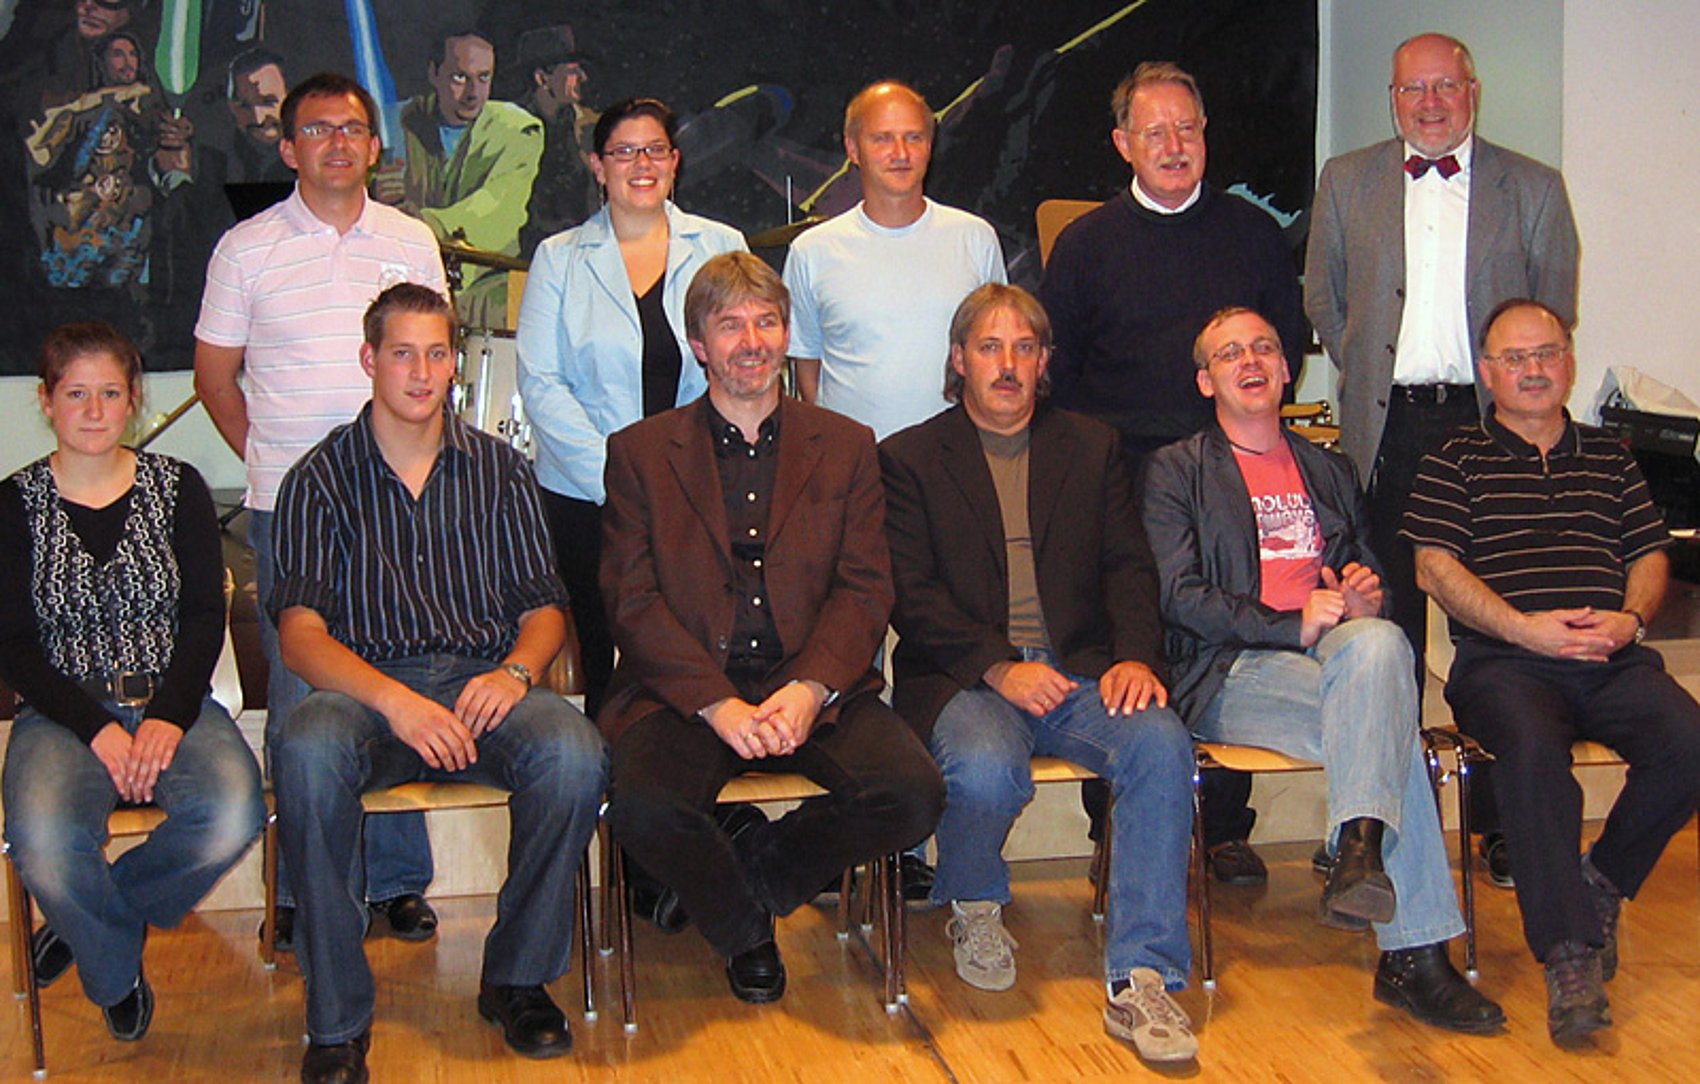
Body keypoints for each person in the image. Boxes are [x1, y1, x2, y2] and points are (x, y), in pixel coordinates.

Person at [270, 284, 606, 1082]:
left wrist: (517, 673)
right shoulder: (317, 478)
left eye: (436, 353)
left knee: (573, 753)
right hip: (365, 693)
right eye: (402, 354)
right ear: (369, 360)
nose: (422, 372)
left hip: (482, 683)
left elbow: (545, 609)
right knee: (305, 750)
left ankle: (516, 979)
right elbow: (300, 637)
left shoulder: (501, 471)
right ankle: (336, 1021)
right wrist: (396, 703)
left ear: (455, 362)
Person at [1141, 306, 1506, 1035]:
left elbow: (1364, 568)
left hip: (1338, 657)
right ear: (1206, 381)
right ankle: (1413, 953)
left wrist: (1366, 593)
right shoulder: (1177, 469)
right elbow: (1178, 597)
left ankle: (1360, 849)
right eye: (1229, 354)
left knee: (1379, 642)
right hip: (1228, 667)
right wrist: (1288, 623)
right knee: (1392, 732)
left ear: (1287, 370)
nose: (1250, 361)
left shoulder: (1328, 468)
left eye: (1264, 349)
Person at [599, 252, 944, 1004]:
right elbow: (632, 601)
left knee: (912, 793)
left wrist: (812, 687)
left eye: (766, 322)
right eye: (730, 326)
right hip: (685, 692)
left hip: (810, 682)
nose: (751, 342)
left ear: (787, 335)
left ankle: (750, 872)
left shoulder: (847, 444)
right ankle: (744, 930)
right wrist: (716, 703)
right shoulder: (640, 452)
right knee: (643, 807)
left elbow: (865, 587)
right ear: (699, 344)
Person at [880, 284, 1197, 1064]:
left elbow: (1129, 566)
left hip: (1083, 671)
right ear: (959, 360)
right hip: (965, 677)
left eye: (1024, 348)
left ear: (1045, 361)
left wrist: (1135, 657)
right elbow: (910, 595)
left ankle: (1144, 975)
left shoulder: (1091, 445)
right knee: (986, 768)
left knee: (1161, 744)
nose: (1008, 365)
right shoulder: (909, 458)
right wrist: (998, 665)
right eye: (990, 347)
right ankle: (975, 902)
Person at [1305, 33, 1581, 887]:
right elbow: (1324, 297)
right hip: (1388, 430)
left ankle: (1504, 825)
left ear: (1473, 91)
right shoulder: (1345, 179)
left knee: (1496, 632)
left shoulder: (1533, 187)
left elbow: (1552, 310)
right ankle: (1383, 829)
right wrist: (1370, 370)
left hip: (1488, 430)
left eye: (1445, 86)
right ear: (1392, 99)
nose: (1429, 103)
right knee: (1383, 634)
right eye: (1412, 89)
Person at [194, 71, 446, 953]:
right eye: (317, 129)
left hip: (398, 504)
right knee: (304, 698)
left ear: (375, 146)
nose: (337, 143)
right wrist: (276, 467)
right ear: (287, 146)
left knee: (402, 679)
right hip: (290, 513)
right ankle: (305, 888)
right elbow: (216, 377)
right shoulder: (246, 248)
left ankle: (397, 882)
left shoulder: (411, 240)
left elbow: (425, 362)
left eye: (351, 129)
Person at [1405, 299, 1700, 1046]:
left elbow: (1649, 553)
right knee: (1533, 756)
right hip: (1504, 663)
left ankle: (1600, 881)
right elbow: (1433, 567)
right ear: (1487, 372)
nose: (1532, 370)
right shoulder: (1453, 457)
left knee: (1689, 742)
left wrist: (1631, 621)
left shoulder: (1610, 456)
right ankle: (1570, 958)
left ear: (1568, 361)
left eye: (1546, 353)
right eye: (1515, 358)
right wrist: (1522, 628)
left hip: (1611, 657)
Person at [1039, 60, 1305, 885]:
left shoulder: (1252, 234)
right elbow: (1059, 375)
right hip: (1116, 476)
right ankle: (1118, 830)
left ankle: (1222, 827)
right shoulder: (1085, 245)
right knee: (1126, 644)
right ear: (1123, 144)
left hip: (1226, 475)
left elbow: (1284, 351)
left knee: (1227, 634)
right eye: (1153, 131)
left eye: (1186, 127)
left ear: (1205, 134)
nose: (1173, 144)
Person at [0, 322, 265, 1044]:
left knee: (233, 814)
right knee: (42, 841)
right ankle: (115, 967)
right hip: (62, 716)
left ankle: (86, 921)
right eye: (76, 394)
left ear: (134, 399)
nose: (94, 411)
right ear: (47, 401)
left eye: (110, 394)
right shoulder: (12, 503)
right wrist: (98, 729)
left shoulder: (177, 487)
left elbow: (205, 614)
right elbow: (13, 646)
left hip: (175, 702)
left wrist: (167, 718)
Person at [516, 96, 747, 722]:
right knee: (607, 664)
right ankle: (611, 776)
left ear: (675, 161)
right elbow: (541, 383)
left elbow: (740, 367)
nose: (641, 164)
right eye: (624, 152)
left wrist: (678, 482)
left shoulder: (721, 246)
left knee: (698, 656)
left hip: (700, 491)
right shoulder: (559, 257)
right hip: (586, 497)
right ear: (598, 165)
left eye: (654, 150)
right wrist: (618, 480)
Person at [783, 80, 1006, 443]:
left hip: (956, 456)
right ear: (853, 149)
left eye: (913, 137)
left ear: (930, 146)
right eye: (882, 139)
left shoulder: (975, 239)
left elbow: (997, 349)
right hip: (855, 460)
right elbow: (808, 363)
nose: (900, 153)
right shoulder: (812, 251)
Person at [379, 29, 543, 327]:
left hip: (484, 283)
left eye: (483, 78)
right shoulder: (396, 122)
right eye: (459, 77)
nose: (473, 92)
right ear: (434, 73)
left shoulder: (516, 129)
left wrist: (419, 223)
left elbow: (499, 210)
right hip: (405, 279)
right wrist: (372, 195)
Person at [513, 23, 598, 253]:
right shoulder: (515, 128)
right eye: (572, 71)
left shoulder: (584, 125)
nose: (582, 77)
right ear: (542, 78)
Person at [221, 47, 293, 185]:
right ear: (231, 107)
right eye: (245, 106)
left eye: (268, 102)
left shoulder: (315, 160)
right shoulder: (218, 164)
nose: (258, 118)